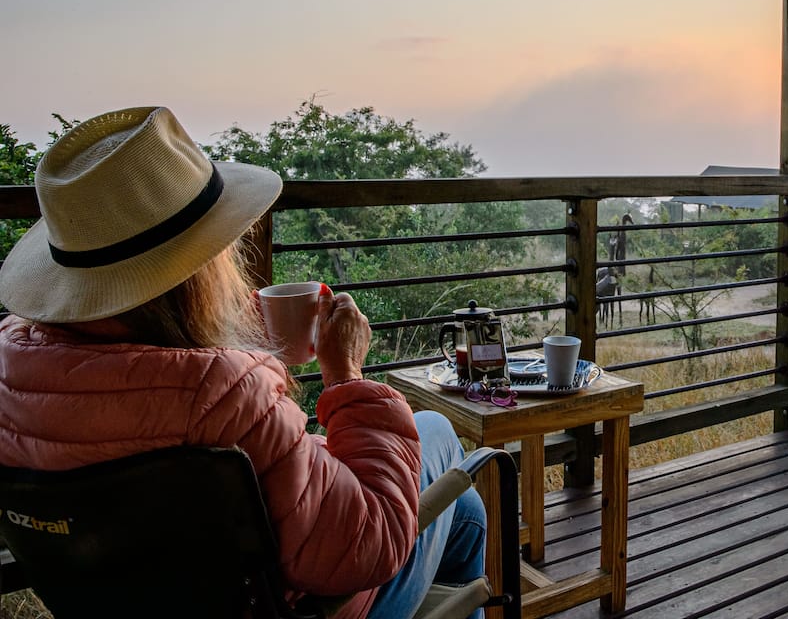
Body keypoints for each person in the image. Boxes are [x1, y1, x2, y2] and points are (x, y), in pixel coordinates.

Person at [0, 106, 485, 619]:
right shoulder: (220, 395)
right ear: (196, 269)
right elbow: (371, 544)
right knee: (436, 434)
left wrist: (227, 336)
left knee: (465, 513)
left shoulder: (14, 377)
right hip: (310, 604)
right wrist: (346, 375)